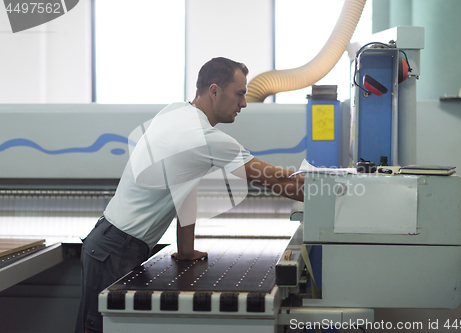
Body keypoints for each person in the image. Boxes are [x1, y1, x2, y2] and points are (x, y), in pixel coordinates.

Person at [75, 57, 304, 333]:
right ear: (215, 91)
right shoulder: (204, 137)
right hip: (117, 250)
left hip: (106, 242)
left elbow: (184, 186)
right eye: (240, 94)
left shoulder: (174, 111)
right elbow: (277, 180)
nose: (244, 103)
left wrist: (185, 251)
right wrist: (328, 191)